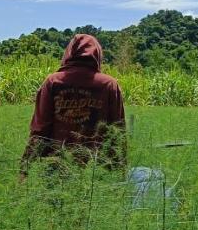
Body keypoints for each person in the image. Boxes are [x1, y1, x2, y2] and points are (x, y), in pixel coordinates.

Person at [20, 33, 127, 176]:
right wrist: (120, 170)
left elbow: (40, 130)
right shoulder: (109, 85)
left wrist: (24, 168)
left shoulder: (53, 82)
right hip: (96, 172)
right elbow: (118, 131)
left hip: (56, 167)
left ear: (70, 53)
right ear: (97, 54)